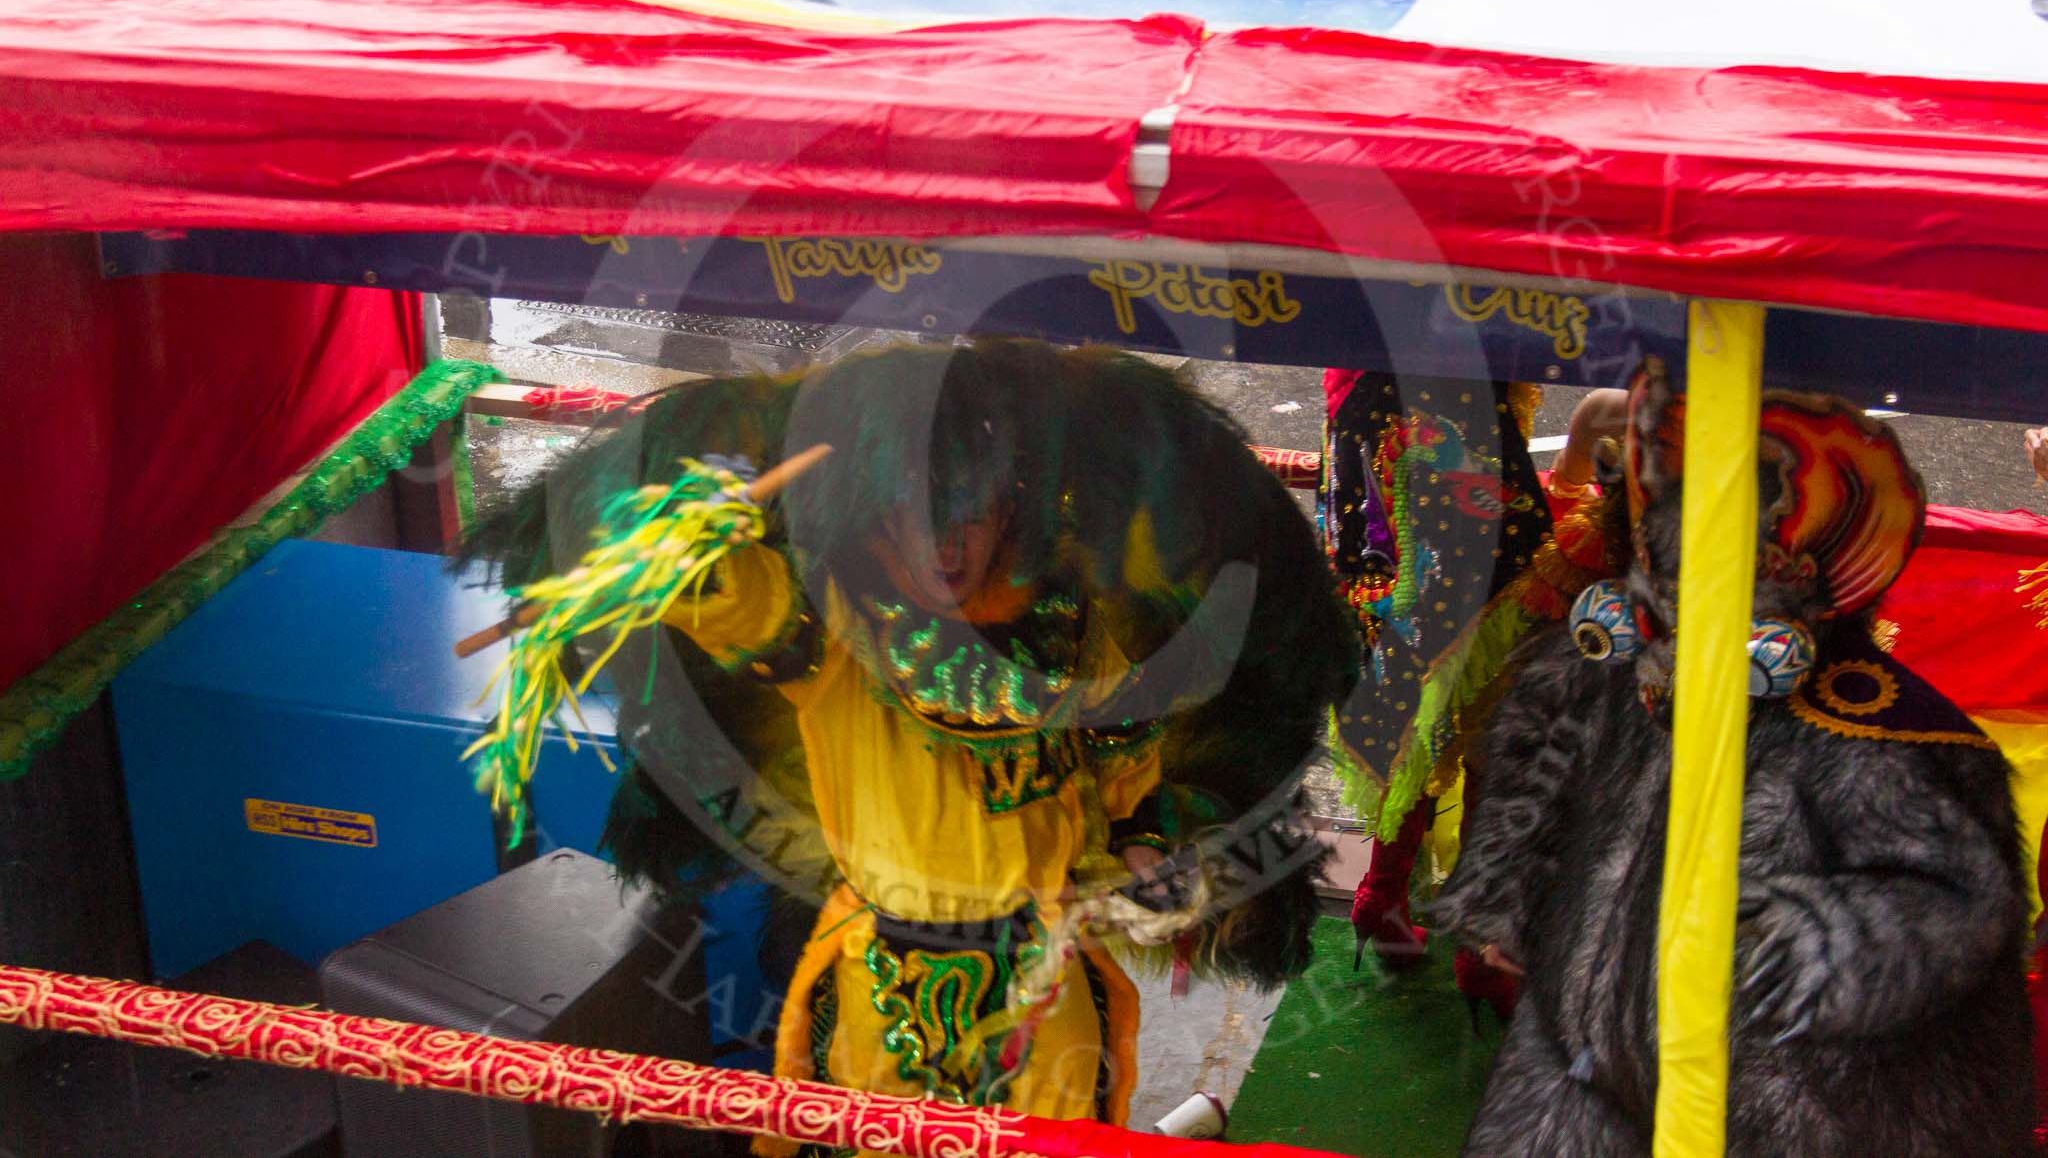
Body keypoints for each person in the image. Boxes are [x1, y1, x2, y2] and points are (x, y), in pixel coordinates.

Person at [462, 340, 1359, 1155]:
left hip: (1039, 984)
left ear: (1013, 508)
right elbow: (737, 602)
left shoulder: (1075, 630)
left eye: (970, 517)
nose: (947, 547)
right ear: (877, 521)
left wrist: (1150, 840)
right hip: (881, 984)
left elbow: (1136, 771)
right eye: (918, 520)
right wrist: (679, 536)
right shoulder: (830, 629)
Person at [1435, 362, 2033, 1155]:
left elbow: (1958, 902)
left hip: (1793, 1106)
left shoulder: (1887, 734)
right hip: (1585, 1061)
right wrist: (1507, 887)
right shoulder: (1605, 672)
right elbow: (1537, 766)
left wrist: (1810, 940)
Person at [1325, 372, 1623, 1023]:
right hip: (1480, 541)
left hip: (1380, 530)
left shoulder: (1350, 347)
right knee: (1496, 743)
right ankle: (1481, 950)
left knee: (1417, 729)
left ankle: (1384, 899)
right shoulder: (1471, 317)